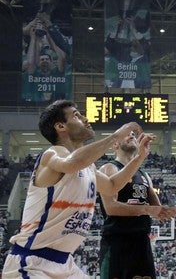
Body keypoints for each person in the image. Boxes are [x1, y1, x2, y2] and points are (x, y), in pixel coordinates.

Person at [2, 100, 148, 278]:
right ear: (60, 126)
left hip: (65, 263)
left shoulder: (88, 166)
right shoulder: (51, 154)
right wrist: (114, 137)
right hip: (32, 262)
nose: (85, 119)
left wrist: (139, 158)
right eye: (77, 115)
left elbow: (111, 186)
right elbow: (72, 163)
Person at [98, 131, 176, 279]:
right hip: (117, 240)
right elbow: (111, 208)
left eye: (133, 134)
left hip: (142, 241)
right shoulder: (109, 168)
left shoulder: (144, 175)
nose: (131, 136)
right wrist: (146, 209)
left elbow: (159, 210)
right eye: (126, 134)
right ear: (115, 144)